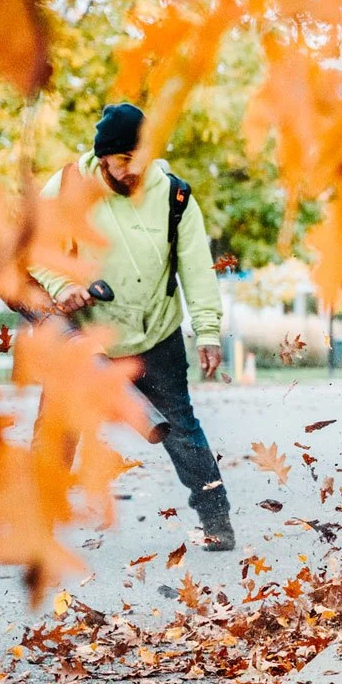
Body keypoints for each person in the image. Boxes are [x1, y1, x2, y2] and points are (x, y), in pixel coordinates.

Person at [30, 104, 236, 550]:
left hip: (153, 337)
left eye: (138, 158)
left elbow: (197, 269)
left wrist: (207, 331)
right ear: (102, 157)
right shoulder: (67, 189)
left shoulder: (175, 196)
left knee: (181, 429)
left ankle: (217, 521)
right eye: (122, 160)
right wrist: (61, 285)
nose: (132, 170)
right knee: (57, 430)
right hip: (84, 338)